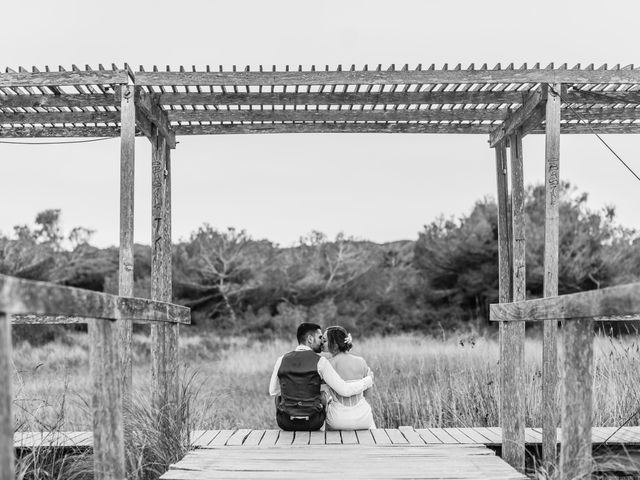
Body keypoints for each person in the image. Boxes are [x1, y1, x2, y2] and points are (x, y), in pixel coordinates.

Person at [269, 322, 374, 431]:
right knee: (323, 397)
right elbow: (345, 390)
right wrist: (368, 380)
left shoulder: (281, 359)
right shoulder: (321, 362)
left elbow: (273, 391)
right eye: (320, 338)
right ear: (310, 339)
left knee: (279, 397)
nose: (321, 342)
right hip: (313, 422)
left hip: (285, 422)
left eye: (324, 340)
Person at [323, 326, 376, 430]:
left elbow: (321, 396)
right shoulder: (361, 361)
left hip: (338, 420)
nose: (321, 343)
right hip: (364, 418)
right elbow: (368, 395)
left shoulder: (328, 364)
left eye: (324, 340)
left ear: (334, 343)